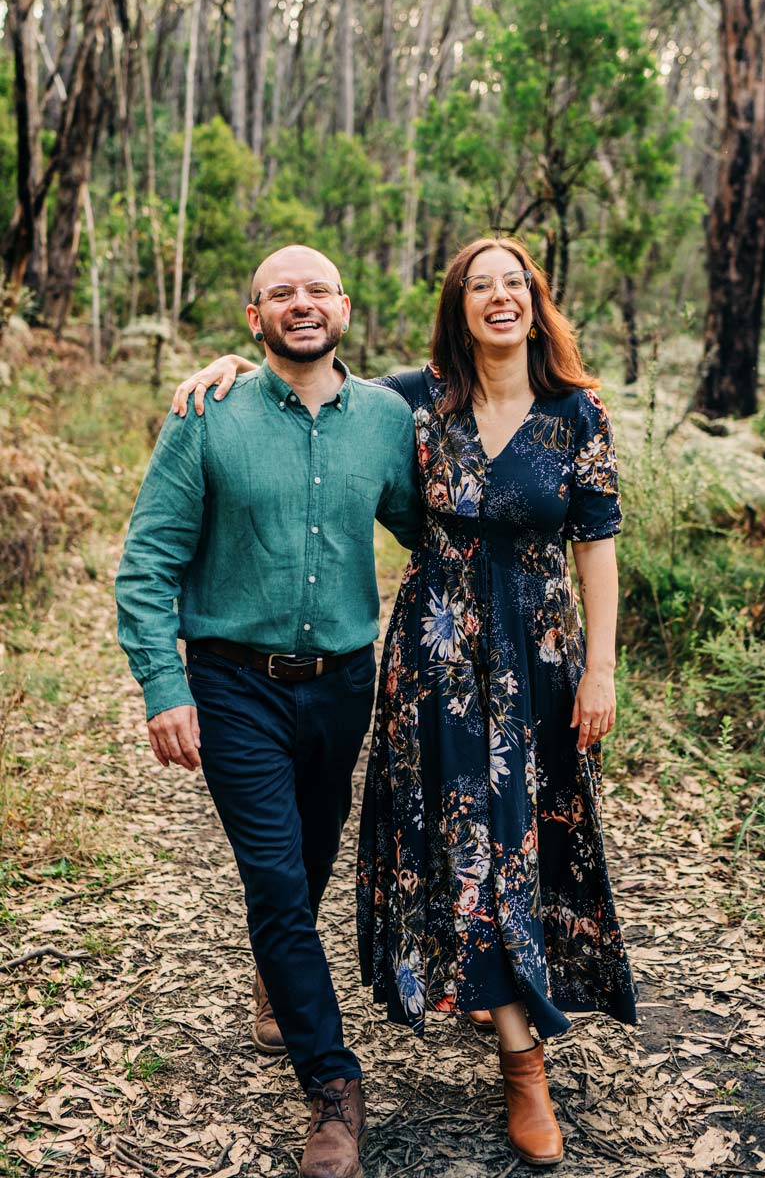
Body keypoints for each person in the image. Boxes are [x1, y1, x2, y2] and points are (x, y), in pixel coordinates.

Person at [175, 236, 637, 1169]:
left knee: (522, 840)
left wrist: (601, 668)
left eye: (514, 284)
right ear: (458, 307)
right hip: (436, 661)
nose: (499, 298)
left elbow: (598, 543)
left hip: (539, 662)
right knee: (470, 839)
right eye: (480, 286)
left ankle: (498, 990)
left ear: (535, 301)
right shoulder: (414, 400)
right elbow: (309, 385)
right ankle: (524, 1064)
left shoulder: (579, 412)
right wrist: (230, 367)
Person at [116, 245, 421, 1178]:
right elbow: (148, 563)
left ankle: (276, 973)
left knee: (313, 856)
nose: (301, 304)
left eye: (317, 289)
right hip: (233, 682)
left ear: (346, 306)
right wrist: (164, 688)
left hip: (342, 682)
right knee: (278, 883)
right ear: (253, 318)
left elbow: (434, 531)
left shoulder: (384, 419)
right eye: (280, 293)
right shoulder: (209, 415)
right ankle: (333, 1089)